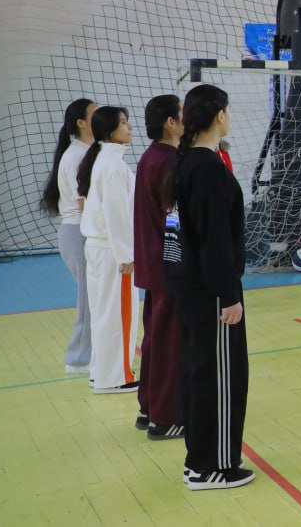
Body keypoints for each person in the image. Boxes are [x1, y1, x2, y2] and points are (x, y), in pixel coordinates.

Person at [167, 84, 254, 489]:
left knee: (200, 371)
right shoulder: (205, 169)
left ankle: (198, 459)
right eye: (228, 110)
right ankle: (213, 466)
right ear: (219, 115)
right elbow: (214, 240)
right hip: (211, 293)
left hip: (191, 287)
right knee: (220, 378)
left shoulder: (187, 164)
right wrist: (228, 295)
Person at [77, 106, 139, 395]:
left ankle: (100, 373)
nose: (129, 128)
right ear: (110, 131)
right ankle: (116, 377)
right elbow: (117, 214)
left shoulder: (103, 159)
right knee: (118, 315)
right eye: (124, 123)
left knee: (103, 313)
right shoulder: (112, 165)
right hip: (112, 252)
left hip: (100, 248)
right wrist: (127, 255)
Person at [134, 94, 185, 439]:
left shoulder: (151, 157)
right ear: (171, 122)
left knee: (155, 338)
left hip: (154, 263)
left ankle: (149, 407)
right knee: (169, 342)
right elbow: (173, 219)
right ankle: (165, 418)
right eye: (183, 114)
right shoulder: (167, 161)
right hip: (167, 265)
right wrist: (180, 263)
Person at [39, 97, 97, 377]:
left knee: (96, 296)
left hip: (84, 231)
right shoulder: (76, 155)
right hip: (79, 232)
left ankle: (95, 351)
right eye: (95, 114)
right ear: (81, 123)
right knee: (88, 298)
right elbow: (84, 202)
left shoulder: (90, 152)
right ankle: (78, 359)